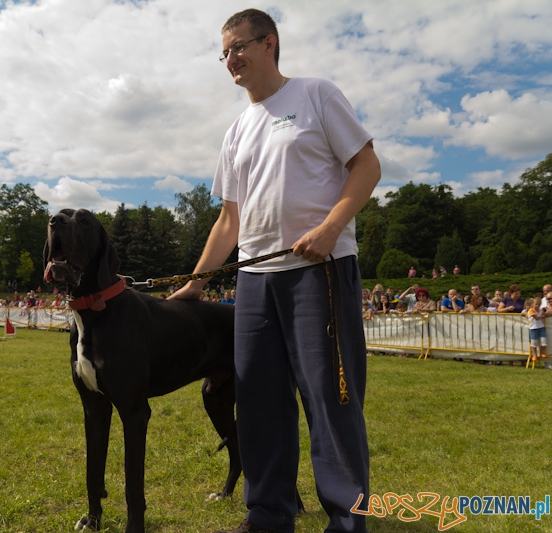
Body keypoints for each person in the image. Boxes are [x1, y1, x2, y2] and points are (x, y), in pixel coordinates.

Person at [169, 9, 380, 533]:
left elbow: (367, 165)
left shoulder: (316, 94)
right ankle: (267, 514)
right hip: (255, 281)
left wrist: (331, 227)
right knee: (259, 400)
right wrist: (196, 281)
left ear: (270, 43)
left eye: (239, 46)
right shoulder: (237, 130)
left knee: (329, 399)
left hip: (318, 269)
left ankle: (347, 520)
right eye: (224, 52)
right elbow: (229, 220)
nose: (231, 59)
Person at [527, 297, 547, 362]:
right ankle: (534, 355)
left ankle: (541, 352)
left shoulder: (541, 310)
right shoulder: (531, 310)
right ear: (533, 304)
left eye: (539, 304)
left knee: (543, 340)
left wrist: (545, 313)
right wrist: (543, 316)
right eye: (536, 304)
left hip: (541, 327)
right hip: (533, 328)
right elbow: (536, 318)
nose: (537, 306)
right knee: (534, 342)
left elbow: (545, 313)